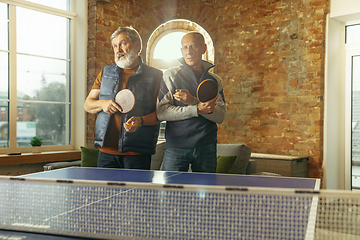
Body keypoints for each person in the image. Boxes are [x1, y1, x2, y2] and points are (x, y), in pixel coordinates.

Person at [84, 26, 162, 170]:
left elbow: (162, 113)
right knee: (104, 193)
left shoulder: (156, 76)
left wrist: (140, 121)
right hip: (105, 151)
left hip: (137, 153)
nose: (118, 49)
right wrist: (103, 104)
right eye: (115, 46)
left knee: (135, 193)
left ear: (137, 45)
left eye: (123, 43)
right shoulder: (105, 73)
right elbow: (88, 104)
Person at [157, 31, 226, 173]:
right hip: (176, 147)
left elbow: (220, 116)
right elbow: (161, 112)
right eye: (185, 47)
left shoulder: (215, 80)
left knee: (205, 194)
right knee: (170, 193)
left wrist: (192, 101)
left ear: (203, 49)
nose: (188, 52)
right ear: (181, 50)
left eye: (193, 46)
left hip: (206, 146)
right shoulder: (170, 75)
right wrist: (197, 109)